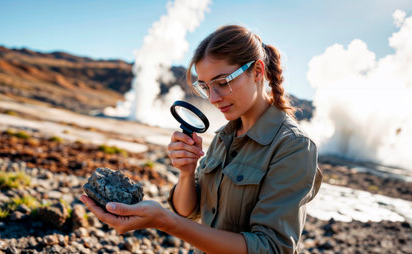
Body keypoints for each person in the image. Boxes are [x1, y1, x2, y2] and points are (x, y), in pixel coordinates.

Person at [80, 24, 322, 254]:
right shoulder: (224, 136)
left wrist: (165, 222)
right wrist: (186, 172)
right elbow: (189, 211)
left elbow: (271, 248)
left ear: (257, 71)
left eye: (222, 82)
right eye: (206, 87)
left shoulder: (294, 146)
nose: (213, 98)